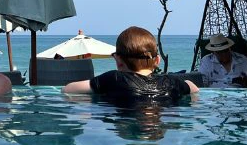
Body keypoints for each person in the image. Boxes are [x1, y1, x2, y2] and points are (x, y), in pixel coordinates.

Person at [62, 26, 199, 100]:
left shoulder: (113, 79)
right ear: (157, 61)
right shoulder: (171, 82)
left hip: (127, 124)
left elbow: (68, 89)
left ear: (119, 61)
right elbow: (194, 88)